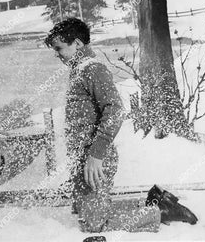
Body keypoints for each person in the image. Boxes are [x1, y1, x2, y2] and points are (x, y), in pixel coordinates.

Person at [45, 18, 162, 233]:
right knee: (84, 213)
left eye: (60, 48)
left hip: (96, 158)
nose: (57, 54)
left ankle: (157, 212)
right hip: (84, 158)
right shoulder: (79, 70)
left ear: (78, 44)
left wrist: (96, 154)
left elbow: (115, 110)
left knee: (94, 224)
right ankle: (151, 203)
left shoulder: (93, 69)